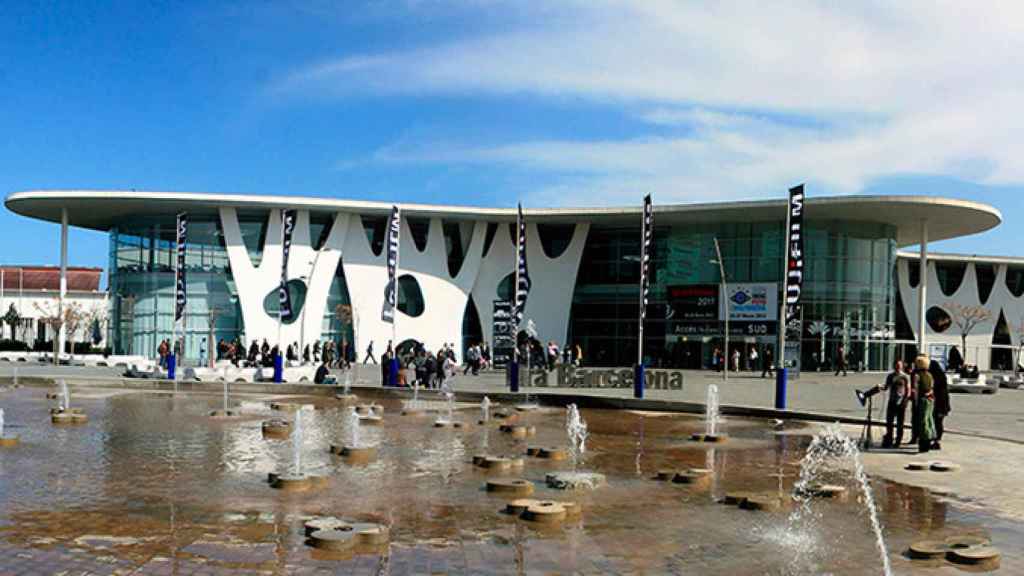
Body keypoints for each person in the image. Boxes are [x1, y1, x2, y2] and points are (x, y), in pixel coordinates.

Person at [881, 360, 910, 448]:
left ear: (902, 366)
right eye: (896, 365)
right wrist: (880, 387)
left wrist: (906, 400)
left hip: (901, 402)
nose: (897, 367)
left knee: (900, 423)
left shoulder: (904, 376)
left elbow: (908, 389)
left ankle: (898, 441)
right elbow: (886, 387)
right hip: (892, 401)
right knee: (889, 422)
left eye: (899, 365)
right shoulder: (890, 376)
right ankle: (889, 439)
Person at [911, 356, 936, 454]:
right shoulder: (930, 375)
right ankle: (931, 438)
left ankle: (924, 441)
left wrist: (915, 402)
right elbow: (932, 388)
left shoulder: (917, 376)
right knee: (929, 419)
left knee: (922, 422)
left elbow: (915, 390)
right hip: (930, 399)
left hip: (922, 400)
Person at [929, 360, 950, 450]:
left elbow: (940, 395)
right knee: (938, 422)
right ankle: (937, 438)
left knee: (937, 422)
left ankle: (936, 439)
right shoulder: (942, 377)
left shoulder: (937, 380)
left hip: (940, 405)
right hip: (942, 404)